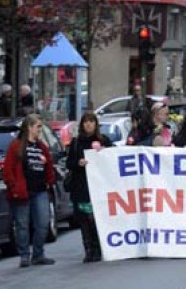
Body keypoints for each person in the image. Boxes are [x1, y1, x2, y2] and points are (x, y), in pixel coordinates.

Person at [2, 114, 56, 267]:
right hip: (22, 192)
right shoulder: (16, 146)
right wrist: (13, 186)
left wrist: (49, 181)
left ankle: (38, 254)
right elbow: (8, 169)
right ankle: (25, 255)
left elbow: (49, 165)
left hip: (40, 191)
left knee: (43, 223)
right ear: (29, 127)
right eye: (38, 126)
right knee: (22, 225)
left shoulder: (41, 147)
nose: (40, 130)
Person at [66, 112, 114, 263]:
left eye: (91, 121)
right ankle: (88, 249)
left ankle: (98, 248)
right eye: (86, 122)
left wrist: (103, 153)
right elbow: (68, 163)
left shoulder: (103, 140)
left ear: (96, 124)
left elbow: (114, 157)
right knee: (84, 220)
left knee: (96, 219)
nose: (88, 125)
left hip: (98, 187)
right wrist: (78, 163)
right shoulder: (76, 142)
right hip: (81, 187)